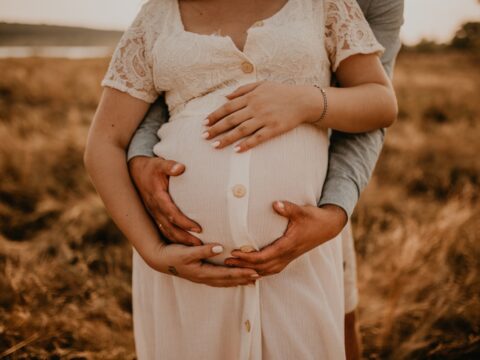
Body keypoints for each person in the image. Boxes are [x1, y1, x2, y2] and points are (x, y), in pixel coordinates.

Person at [84, 0, 399, 358]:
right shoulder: (158, 15)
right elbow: (104, 143)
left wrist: (307, 102)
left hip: (298, 262)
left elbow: (381, 102)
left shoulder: (326, 6)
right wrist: (153, 251)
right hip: (185, 273)